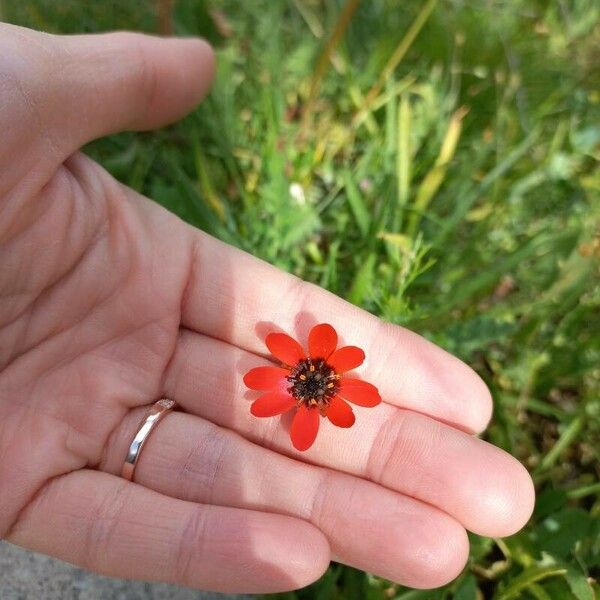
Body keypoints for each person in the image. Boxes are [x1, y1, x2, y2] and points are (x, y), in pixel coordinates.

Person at [0, 23, 535, 594]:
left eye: (312, 375)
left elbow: (346, 382)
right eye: (305, 373)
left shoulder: (334, 384)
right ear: (304, 369)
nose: (306, 374)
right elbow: (291, 372)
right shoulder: (287, 369)